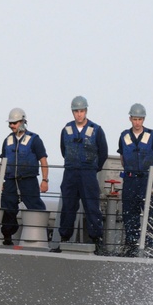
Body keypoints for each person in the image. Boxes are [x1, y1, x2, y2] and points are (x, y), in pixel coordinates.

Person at [57, 96, 108, 253]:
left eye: (81, 111)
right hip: (71, 172)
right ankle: (64, 238)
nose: (79, 114)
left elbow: (103, 152)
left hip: (88, 173)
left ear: (86, 111)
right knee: (68, 206)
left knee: (92, 206)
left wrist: (92, 168)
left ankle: (96, 240)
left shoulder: (96, 130)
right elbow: (63, 150)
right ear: (72, 112)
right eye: (76, 111)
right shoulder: (66, 129)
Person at [117, 103, 153, 256]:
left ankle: (152, 245)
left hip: (146, 180)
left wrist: (149, 175)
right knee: (129, 213)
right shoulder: (124, 136)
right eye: (134, 119)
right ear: (130, 119)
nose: (137, 122)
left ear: (144, 120)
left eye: (140, 119)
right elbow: (122, 157)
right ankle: (131, 244)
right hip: (130, 180)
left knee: (151, 213)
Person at [0, 108, 49, 246]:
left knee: (35, 206)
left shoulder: (34, 140)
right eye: (10, 123)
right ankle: (8, 236)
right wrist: (2, 180)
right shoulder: (7, 140)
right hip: (10, 180)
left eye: (14, 123)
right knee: (8, 207)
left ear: (22, 122)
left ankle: (42, 234)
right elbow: (2, 162)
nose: (12, 126)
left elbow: (43, 160)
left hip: (28, 179)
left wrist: (45, 180)